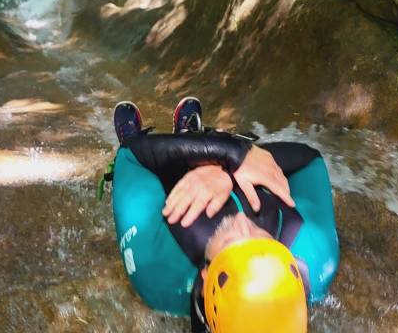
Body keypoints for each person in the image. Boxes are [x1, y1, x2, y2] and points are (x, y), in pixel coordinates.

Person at [109, 98, 340, 333]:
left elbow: (132, 157)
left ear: (205, 278)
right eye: (262, 238)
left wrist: (214, 154)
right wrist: (233, 161)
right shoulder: (315, 260)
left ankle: (187, 142)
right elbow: (309, 160)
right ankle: (192, 139)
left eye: (230, 241)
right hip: (235, 165)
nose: (242, 222)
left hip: (160, 174)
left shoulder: (155, 270)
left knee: (144, 155)